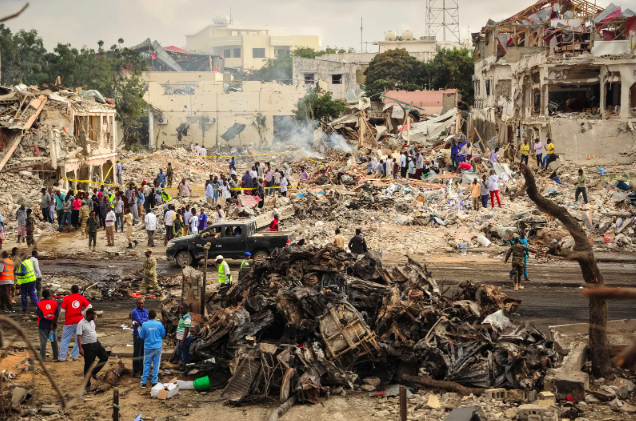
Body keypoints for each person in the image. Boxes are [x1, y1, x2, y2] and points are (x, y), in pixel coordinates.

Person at [77, 308, 109, 391]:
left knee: (104, 357)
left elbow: (93, 332)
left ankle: (94, 372)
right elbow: (79, 336)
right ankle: (87, 384)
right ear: (90, 314)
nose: (95, 316)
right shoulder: (81, 324)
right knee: (88, 365)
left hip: (96, 343)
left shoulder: (92, 321)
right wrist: (80, 348)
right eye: (94, 315)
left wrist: (98, 341)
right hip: (87, 346)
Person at [58, 285, 92, 361]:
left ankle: (62, 357)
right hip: (79, 321)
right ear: (78, 291)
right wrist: (83, 312)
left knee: (65, 339)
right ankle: (74, 356)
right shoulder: (81, 298)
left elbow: (62, 310)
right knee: (78, 339)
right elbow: (89, 306)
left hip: (69, 321)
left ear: (71, 290)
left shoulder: (67, 298)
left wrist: (69, 311)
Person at [139, 309, 165, 388]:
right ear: (155, 316)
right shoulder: (159, 324)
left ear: (148, 316)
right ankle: (154, 381)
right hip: (157, 347)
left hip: (148, 347)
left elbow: (141, 336)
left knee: (147, 364)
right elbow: (163, 334)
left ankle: (144, 382)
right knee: (156, 364)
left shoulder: (144, 324)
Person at [36, 289, 59, 360]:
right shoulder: (54, 303)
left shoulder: (39, 304)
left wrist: (46, 318)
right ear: (49, 295)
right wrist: (52, 323)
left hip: (43, 325)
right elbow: (57, 314)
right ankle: (55, 357)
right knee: (54, 341)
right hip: (53, 325)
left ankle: (42, 358)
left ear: (42, 295)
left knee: (43, 342)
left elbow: (39, 314)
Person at [130, 298, 148, 378]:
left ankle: (141, 370)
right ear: (136, 304)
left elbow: (145, 321)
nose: (141, 305)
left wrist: (142, 321)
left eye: (142, 303)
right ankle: (136, 371)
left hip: (144, 335)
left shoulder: (145, 311)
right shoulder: (134, 312)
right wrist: (143, 321)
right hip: (137, 335)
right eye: (139, 303)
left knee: (143, 353)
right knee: (137, 353)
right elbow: (142, 322)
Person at [176, 303, 194, 376]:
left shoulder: (187, 318)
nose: (180, 310)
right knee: (179, 353)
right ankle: (184, 367)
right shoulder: (183, 317)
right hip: (181, 339)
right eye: (180, 308)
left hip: (185, 339)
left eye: (182, 309)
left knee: (185, 356)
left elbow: (186, 331)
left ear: (186, 309)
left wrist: (182, 342)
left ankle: (187, 372)